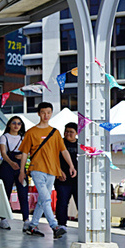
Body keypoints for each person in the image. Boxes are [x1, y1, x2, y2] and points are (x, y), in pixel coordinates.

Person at [20, 102, 76, 239]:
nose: (46, 115)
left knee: (42, 200)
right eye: (43, 112)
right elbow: (25, 153)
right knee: (46, 198)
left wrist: (71, 166)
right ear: (38, 113)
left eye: (49, 112)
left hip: (52, 171)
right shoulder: (31, 132)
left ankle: (32, 226)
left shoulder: (55, 132)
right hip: (37, 169)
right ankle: (54, 226)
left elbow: (64, 151)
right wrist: (22, 171)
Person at [0, 117, 30, 231]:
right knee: (6, 193)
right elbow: (3, 153)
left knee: (23, 193)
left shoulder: (23, 137)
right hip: (7, 167)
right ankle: (3, 219)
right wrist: (11, 163)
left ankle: (26, 220)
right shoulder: (4, 137)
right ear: (9, 125)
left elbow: (29, 152)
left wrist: (23, 157)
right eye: (14, 123)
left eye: (19, 123)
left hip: (20, 167)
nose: (16, 125)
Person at [55, 122, 80, 227]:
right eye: (66, 131)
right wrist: (58, 171)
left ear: (76, 133)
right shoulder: (59, 143)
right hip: (62, 179)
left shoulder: (80, 144)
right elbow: (53, 159)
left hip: (78, 180)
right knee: (62, 202)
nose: (68, 134)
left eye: (71, 132)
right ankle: (61, 224)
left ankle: (84, 223)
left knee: (81, 202)